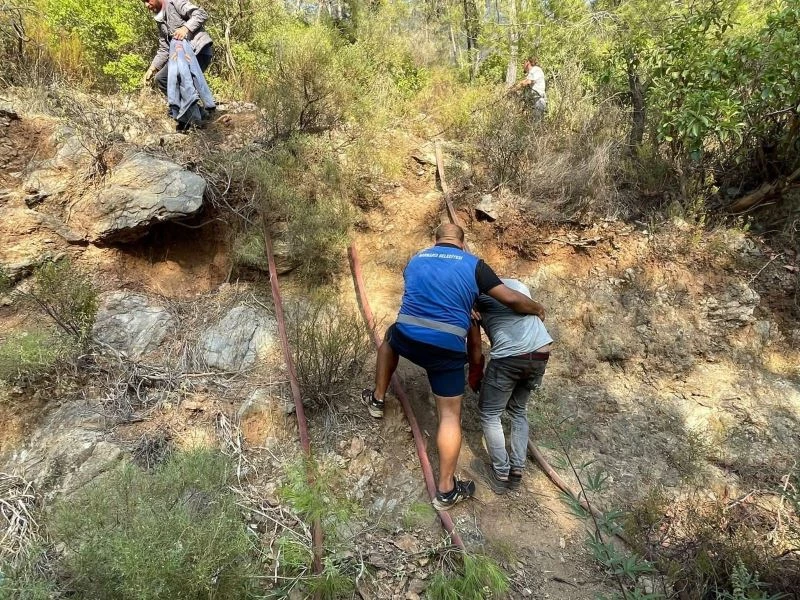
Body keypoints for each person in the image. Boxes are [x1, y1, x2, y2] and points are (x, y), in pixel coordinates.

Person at [362, 224, 546, 511]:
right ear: (462, 243)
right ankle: (446, 490)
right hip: (445, 348)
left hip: (408, 336)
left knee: (389, 339)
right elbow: (510, 299)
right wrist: (537, 308)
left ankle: (377, 398)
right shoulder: (474, 265)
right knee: (449, 416)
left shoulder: (416, 258)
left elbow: (421, 293)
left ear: (435, 240)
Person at [471, 278, 552, 494]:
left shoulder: (475, 294)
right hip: (541, 352)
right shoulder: (517, 285)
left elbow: (476, 346)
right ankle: (517, 470)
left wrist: (475, 374)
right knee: (518, 411)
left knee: (490, 414)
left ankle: (501, 473)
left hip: (510, 356)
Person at [141, 0, 214, 97]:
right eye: (143, 2)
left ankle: (192, 110)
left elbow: (201, 14)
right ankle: (195, 110)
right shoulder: (160, 19)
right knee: (162, 78)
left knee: (178, 82)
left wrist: (185, 28)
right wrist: (152, 68)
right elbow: (164, 48)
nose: (146, 5)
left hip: (199, 51)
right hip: (181, 56)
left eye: (147, 0)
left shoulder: (175, 2)